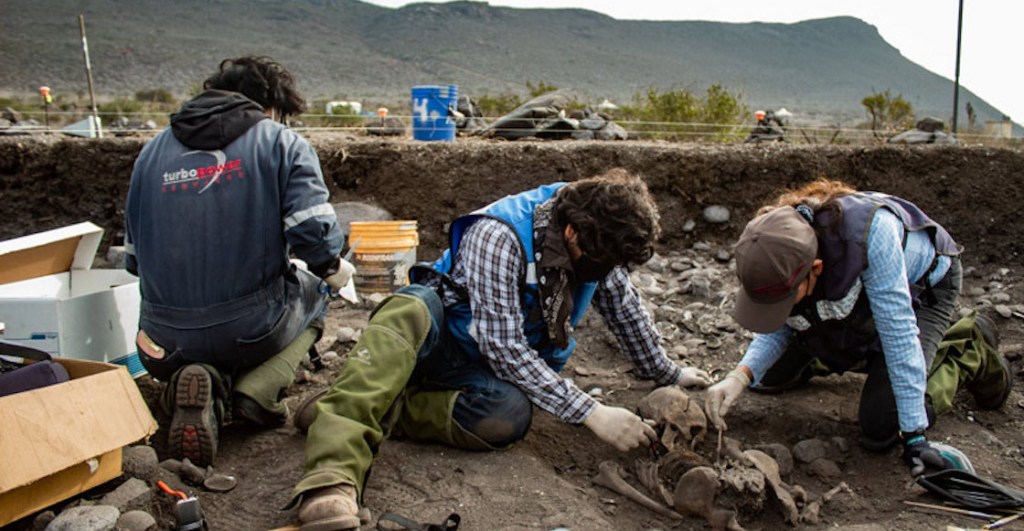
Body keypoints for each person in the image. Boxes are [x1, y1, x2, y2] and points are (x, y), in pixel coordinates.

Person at [290, 169, 712, 530]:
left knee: (507, 417)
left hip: (479, 372)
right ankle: (332, 477)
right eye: (600, 263)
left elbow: (622, 306)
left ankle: (371, 403)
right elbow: (504, 346)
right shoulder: (499, 236)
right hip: (439, 342)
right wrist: (591, 412)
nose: (602, 274)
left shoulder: (597, 238)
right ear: (571, 232)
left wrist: (666, 371)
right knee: (409, 310)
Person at [124, 56, 352, 467]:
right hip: (250, 330)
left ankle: (198, 378)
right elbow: (315, 240)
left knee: (203, 326)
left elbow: (133, 262)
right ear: (273, 105)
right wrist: (334, 269)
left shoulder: (150, 154)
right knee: (318, 291)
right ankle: (256, 393)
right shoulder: (281, 143)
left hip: (158, 342)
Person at [705, 179, 1011, 476]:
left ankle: (967, 344)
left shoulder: (871, 237)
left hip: (923, 291)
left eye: (785, 299)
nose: (778, 308)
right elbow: (779, 322)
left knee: (883, 424)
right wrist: (739, 376)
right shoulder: (773, 245)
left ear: (815, 269)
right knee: (764, 376)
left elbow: (899, 333)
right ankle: (839, 351)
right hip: (854, 298)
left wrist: (916, 436)